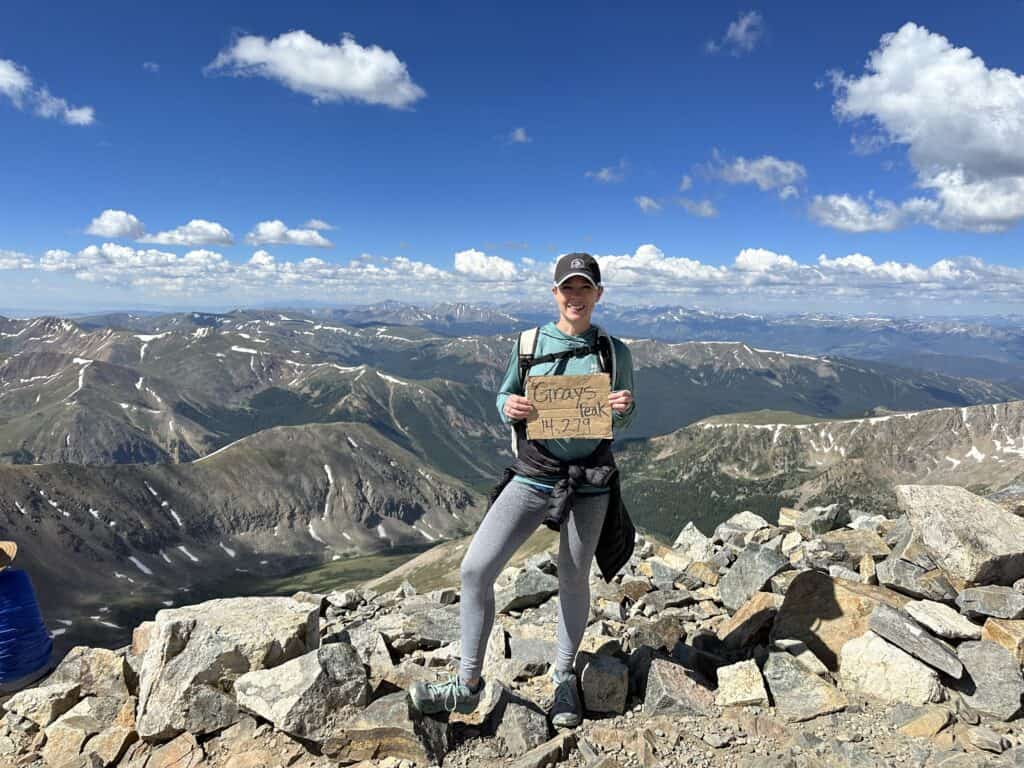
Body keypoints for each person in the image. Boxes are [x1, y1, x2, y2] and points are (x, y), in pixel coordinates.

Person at [409, 252, 636, 728]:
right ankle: (467, 684)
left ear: (598, 294)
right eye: (568, 288)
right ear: (555, 294)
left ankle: (562, 679)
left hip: (589, 479)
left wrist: (622, 405)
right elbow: (504, 392)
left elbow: (623, 415)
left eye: (585, 288)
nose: (576, 296)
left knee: (574, 579)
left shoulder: (615, 352)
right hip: (534, 472)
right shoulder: (529, 343)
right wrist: (506, 406)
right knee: (475, 570)